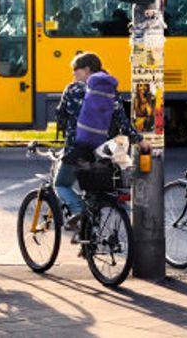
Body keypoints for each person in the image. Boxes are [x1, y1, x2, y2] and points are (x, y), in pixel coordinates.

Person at [55, 52, 150, 230]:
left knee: (60, 184)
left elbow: (60, 117)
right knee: (94, 193)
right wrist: (139, 140)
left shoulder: (73, 89)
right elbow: (122, 119)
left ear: (87, 70)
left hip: (78, 148)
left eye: (76, 70)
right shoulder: (109, 90)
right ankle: (90, 241)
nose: (73, 74)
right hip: (104, 149)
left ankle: (77, 210)